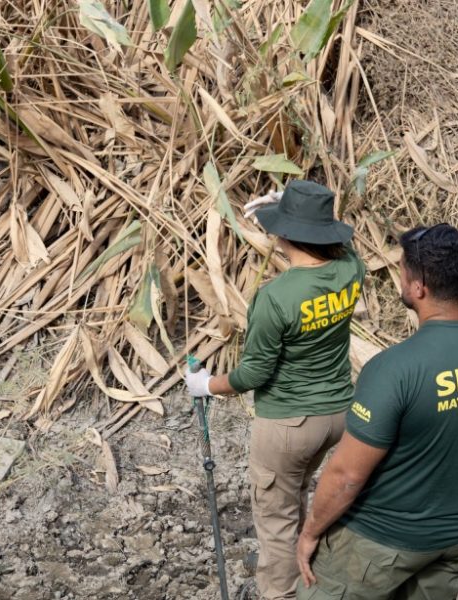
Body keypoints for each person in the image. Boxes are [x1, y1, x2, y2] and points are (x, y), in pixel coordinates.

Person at [295, 224, 458, 600]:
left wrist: (310, 533)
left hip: (380, 541)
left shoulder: (393, 370)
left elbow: (346, 477)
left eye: (402, 270)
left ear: (418, 287)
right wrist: (452, 519)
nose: (400, 279)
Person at [184, 180, 366, 600]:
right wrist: (290, 207)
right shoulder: (349, 270)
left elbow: (253, 375)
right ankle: (306, 570)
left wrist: (206, 385)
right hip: (338, 414)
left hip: (288, 423)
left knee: (276, 516)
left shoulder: (276, 297)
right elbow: (346, 244)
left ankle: (281, 592)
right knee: (300, 489)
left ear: (284, 234)